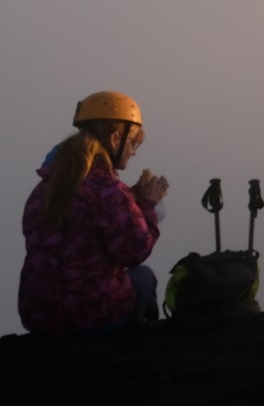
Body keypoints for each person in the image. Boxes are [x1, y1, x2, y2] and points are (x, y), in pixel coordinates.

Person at [20, 92, 166, 336]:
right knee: (143, 276)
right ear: (115, 136)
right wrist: (148, 206)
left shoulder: (44, 189)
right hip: (93, 316)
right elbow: (134, 251)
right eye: (133, 142)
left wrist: (133, 199)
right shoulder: (107, 189)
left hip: (39, 317)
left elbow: (81, 219)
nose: (134, 151)